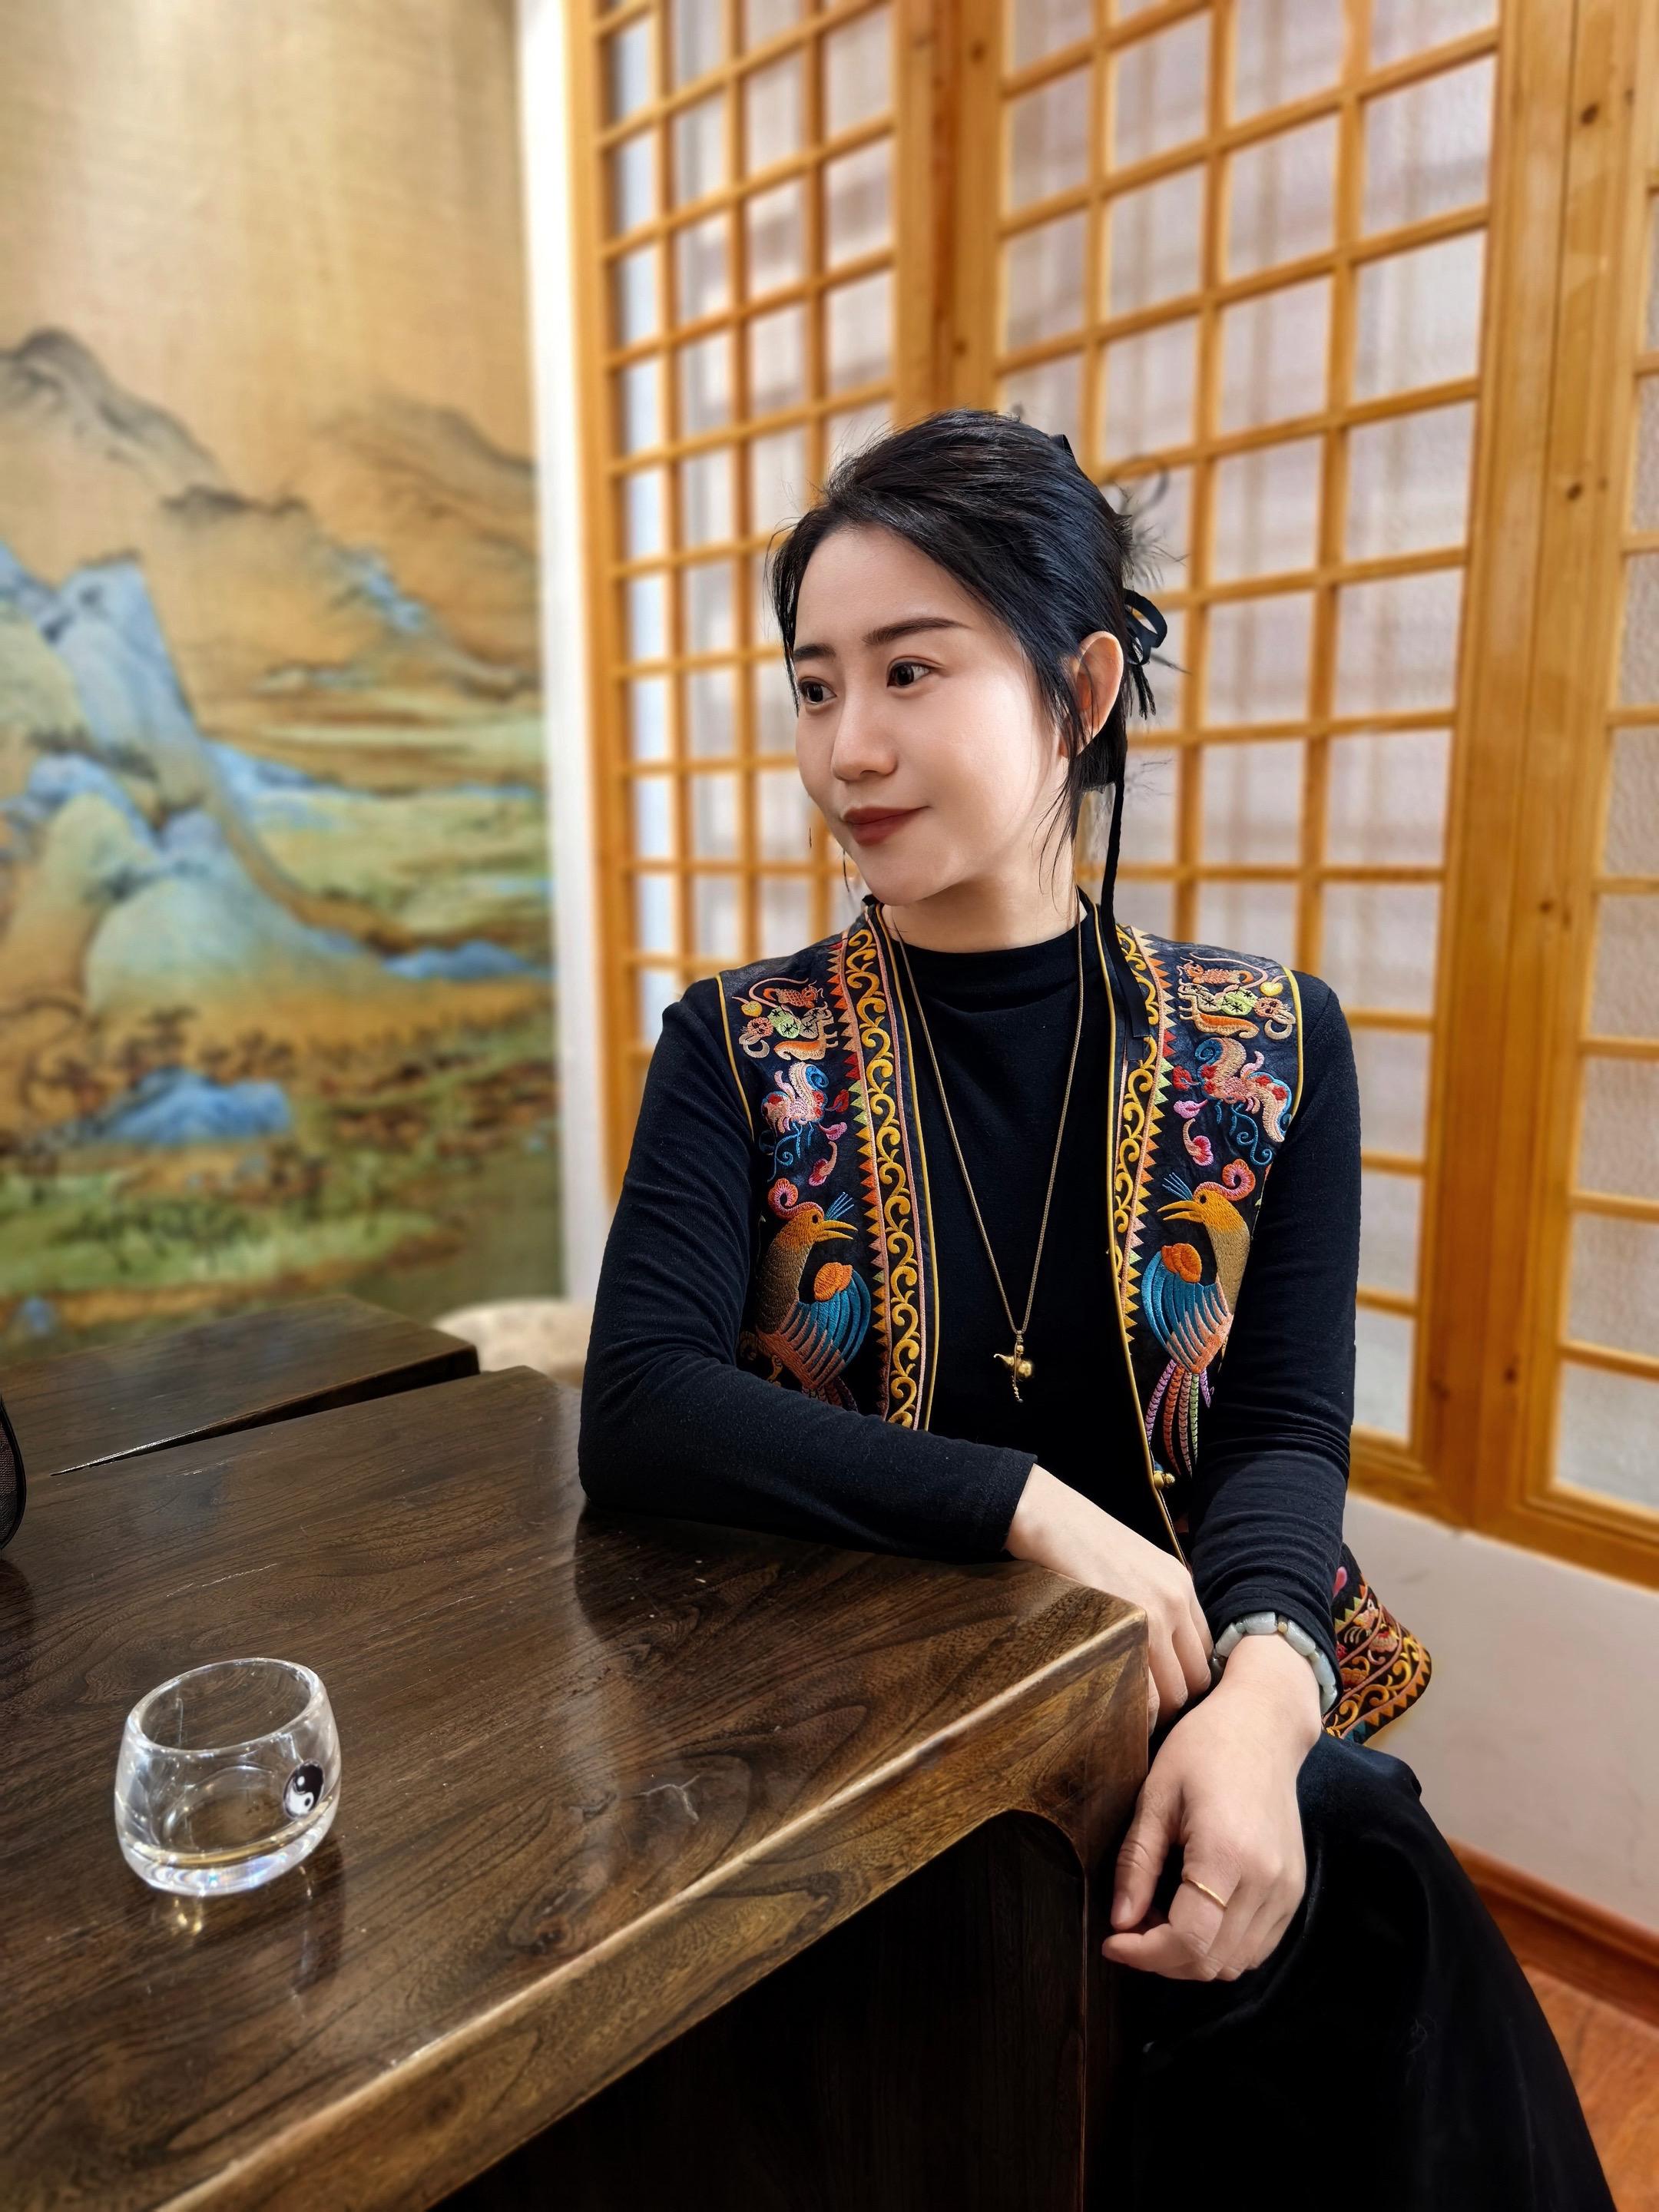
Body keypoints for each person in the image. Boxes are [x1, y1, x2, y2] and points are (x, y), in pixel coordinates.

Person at [578, 409, 1612, 2208]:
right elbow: (641, 1407)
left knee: (1338, 1840)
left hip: (1181, 1700)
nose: (847, 744)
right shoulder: (742, 1046)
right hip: (850, 1738)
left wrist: (1269, 1689)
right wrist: (1034, 1510)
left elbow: (1282, 1430)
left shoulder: (1269, 1043)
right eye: (815, 685)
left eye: (911, 669)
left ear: (1084, 690)